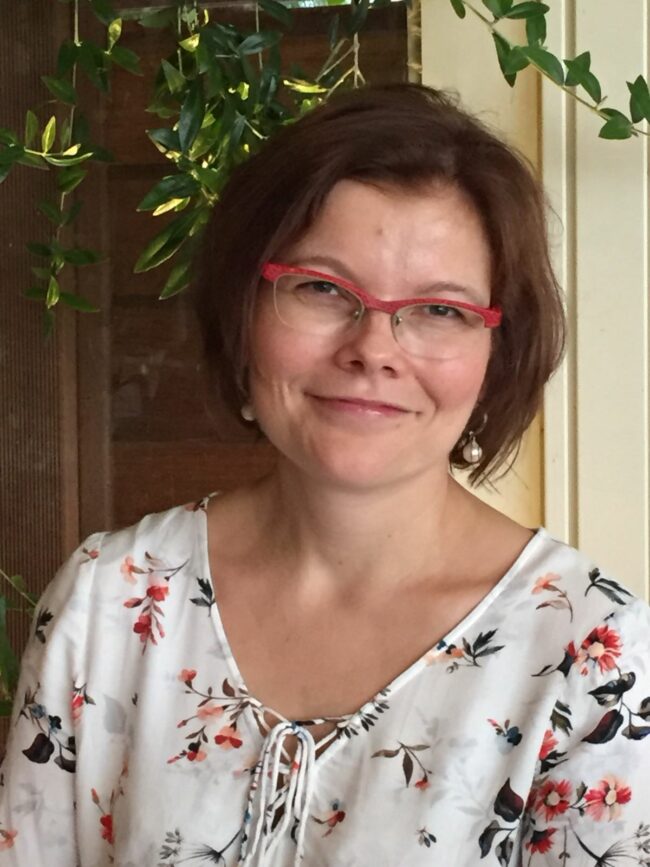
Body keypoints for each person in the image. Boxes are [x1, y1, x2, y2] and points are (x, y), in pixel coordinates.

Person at [1, 83, 649, 867]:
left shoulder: (591, 653)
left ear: (498, 352)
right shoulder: (108, 601)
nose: (373, 349)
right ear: (243, 309)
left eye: (440, 309)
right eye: (322, 288)